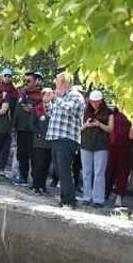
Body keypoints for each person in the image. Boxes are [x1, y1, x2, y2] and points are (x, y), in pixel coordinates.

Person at [46, 73, 85, 207]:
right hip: (56, 136)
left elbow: (70, 110)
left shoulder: (75, 95)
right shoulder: (61, 97)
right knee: (58, 170)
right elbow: (52, 114)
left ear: (64, 82)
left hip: (67, 138)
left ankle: (70, 201)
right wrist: (48, 103)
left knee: (64, 169)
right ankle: (64, 198)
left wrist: (56, 98)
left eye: (57, 82)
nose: (56, 85)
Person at [79, 90, 113, 206]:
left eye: (97, 102)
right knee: (86, 172)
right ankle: (86, 197)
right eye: (93, 102)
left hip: (101, 145)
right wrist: (87, 124)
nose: (95, 104)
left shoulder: (109, 112)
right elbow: (79, 128)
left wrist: (99, 124)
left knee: (99, 172)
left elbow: (110, 129)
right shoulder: (85, 111)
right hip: (86, 143)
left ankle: (98, 199)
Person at [14, 71, 43, 184]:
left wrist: (33, 110)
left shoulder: (40, 94)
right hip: (20, 127)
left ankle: (35, 180)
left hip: (33, 130)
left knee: (34, 156)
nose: (26, 83)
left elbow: (44, 109)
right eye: (24, 81)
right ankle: (23, 176)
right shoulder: (21, 92)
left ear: (36, 81)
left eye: (28, 81)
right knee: (22, 154)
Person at [106, 106, 133, 206]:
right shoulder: (114, 113)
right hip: (112, 146)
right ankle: (106, 193)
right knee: (109, 171)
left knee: (123, 172)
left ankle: (119, 196)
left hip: (126, 148)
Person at [29, 88, 53, 194]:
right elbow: (32, 124)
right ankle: (36, 185)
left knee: (46, 164)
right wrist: (39, 133)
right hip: (39, 142)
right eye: (46, 94)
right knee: (38, 164)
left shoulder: (55, 108)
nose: (48, 96)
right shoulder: (37, 109)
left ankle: (43, 185)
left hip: (51, 141)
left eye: (50, 94)